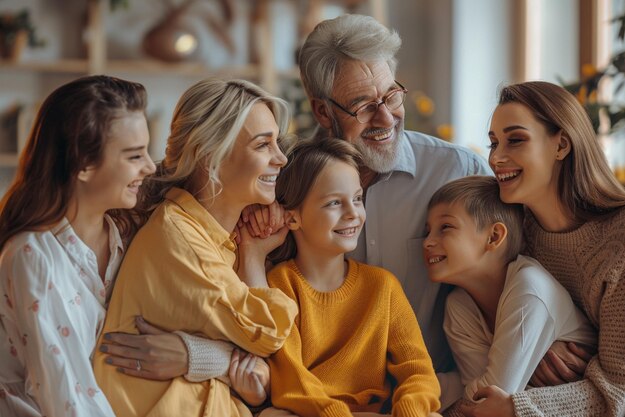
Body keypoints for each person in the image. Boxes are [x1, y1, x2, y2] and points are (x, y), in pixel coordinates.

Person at [92, 78, 299, 417]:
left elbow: (265, 368)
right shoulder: (180, 238)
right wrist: (254, 257)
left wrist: (198, 356)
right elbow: (270, 332)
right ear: (211, 159)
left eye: (277, 144)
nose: (281, 158)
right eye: (263, 145)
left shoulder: (211, 233)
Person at [460, 81, 625, 417]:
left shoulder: (620, 240)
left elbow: (619, 391)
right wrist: (530, 350)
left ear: (561, 144)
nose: (496, 157)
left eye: (515, 140)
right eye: (493, 143)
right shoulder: (509, 233)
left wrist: (519, 407)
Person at [0, 75, 156, 416]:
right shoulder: (32, 256)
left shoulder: (129, 237)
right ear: (83, 163)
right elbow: (67, 397)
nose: (150, 166)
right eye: (134, 156)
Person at [260, 137, 441, 417]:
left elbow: (418, 371)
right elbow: (290, 382)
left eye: (357, 199)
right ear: (293, 218)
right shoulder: (280, 285)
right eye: (334, 203)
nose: (353, 214)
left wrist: (411, 410)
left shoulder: (383, 286)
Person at [422, 175, 596, 412]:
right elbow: (481, 399)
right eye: (427, 231)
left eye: (445, 227)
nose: (427, 242)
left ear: (494, 237)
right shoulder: (458, 305)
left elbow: (487, 397)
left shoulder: (529, 288)